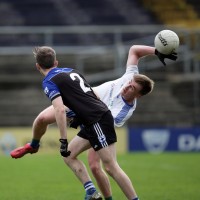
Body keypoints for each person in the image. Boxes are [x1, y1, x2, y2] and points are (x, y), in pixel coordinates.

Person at [10, 45, 177, 200]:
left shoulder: (124, 110)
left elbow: (102, 119)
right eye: (129, 83)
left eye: (132, 88)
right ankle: (36, 147)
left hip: (96, 117)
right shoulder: (129, 76)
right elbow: (134, 50)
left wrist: (67, 132)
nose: (127, 86)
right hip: (84, 105)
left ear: (138, 96)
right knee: (54, 135)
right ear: (56, 63)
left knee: (106, 167)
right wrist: (158, 51)